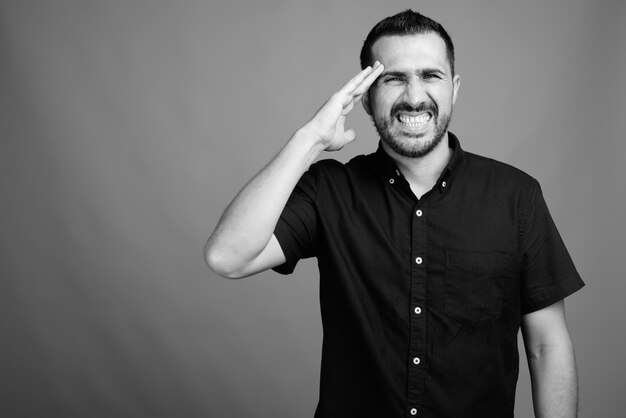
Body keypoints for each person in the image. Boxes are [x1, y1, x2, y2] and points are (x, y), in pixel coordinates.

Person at [204, 9, 584, 418]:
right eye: (394, 78)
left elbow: (547, 347)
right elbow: (227, 257)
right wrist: (309, 139)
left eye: (430, 76)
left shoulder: (516, 196)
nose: (415, 96)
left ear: (454, 88)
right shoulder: (329, 190)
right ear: (367, 97)